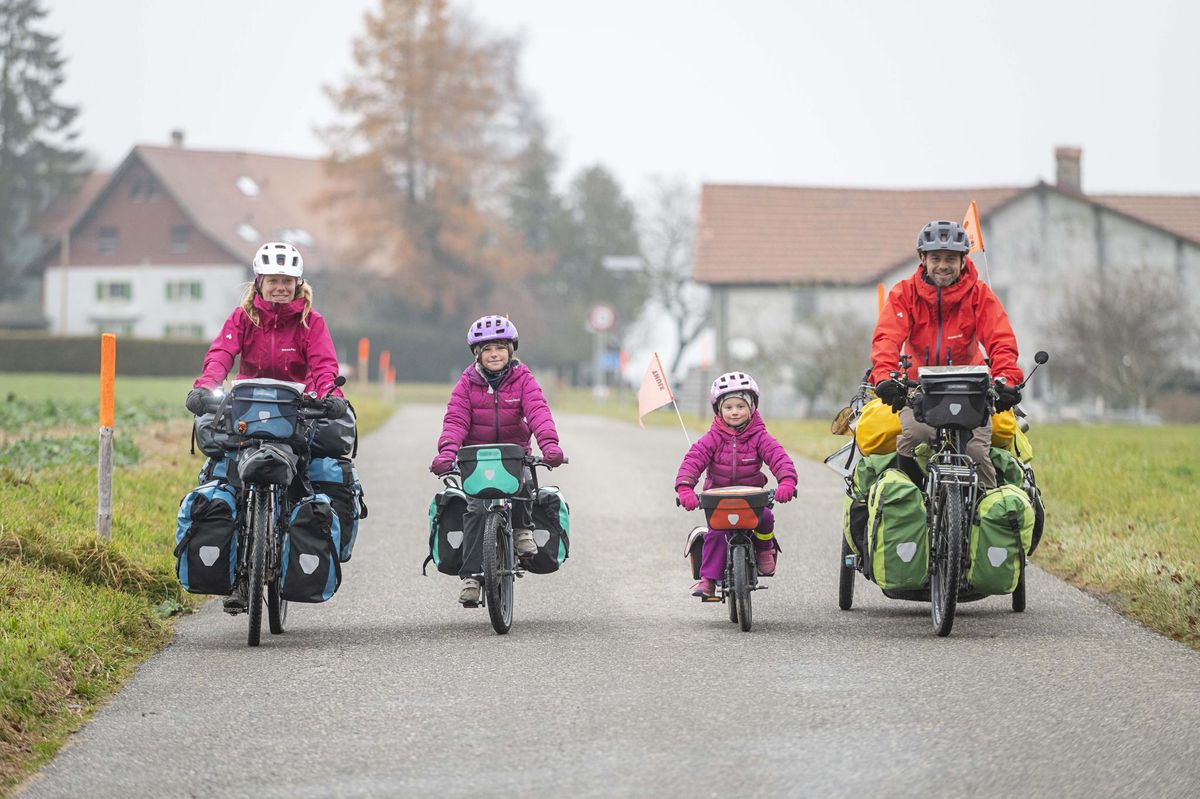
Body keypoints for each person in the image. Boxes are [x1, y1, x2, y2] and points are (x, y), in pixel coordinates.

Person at [185, 241, 348, 612]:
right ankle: (241, 577)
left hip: (295, 413)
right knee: (235, 479)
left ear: (298, 284)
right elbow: (220, 355)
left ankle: (290, 552)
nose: (280, 287)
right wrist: (205, 387)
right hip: (247, 411)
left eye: (287, 281)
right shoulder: (243, 318)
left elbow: (324, 365)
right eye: (273, 280)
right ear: (258, 282)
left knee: (297, 479)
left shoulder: (312, 321)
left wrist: (327, 394)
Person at [870, 220, 1023, 489]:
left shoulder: (980, 295)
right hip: (918, 390)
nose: (943, 265)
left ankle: (989, 512)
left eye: (951, 258)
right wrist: (885, 377)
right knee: (912, 440)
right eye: (936, 258)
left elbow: (1001, 340)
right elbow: (887, 339)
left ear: (963, 260)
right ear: (923, 259)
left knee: (976, 452)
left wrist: (1006, 378)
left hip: (972, 392)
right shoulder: (904, 294)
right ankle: (911, 504)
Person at [430, 315, 565, 606]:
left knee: (524, 485)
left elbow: (538, 412)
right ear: (477, 354)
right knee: (476, 509)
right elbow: (455, 420)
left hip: (513, 453)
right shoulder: (466, 383)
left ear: (511, 351)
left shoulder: (524, 380)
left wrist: (550, 445)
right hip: (476, 458)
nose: (494, 354)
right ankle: (471, 576)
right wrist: (447, 452)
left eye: (500, 348)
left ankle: (522, 529)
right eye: (487, 349)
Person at [675, 372, 797, 598]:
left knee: (766, 519)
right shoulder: (712, 438)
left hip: (752, 498)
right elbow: (693, 460)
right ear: (719, 410)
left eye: (740, 406)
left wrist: (787, 481)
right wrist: (685, 487)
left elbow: (779, 458)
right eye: (728, 407)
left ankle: (764, 549)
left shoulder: (760, 437)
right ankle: (708, 580)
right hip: (718, 499)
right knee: (715, 535)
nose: (734, 411)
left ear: (751, 407)